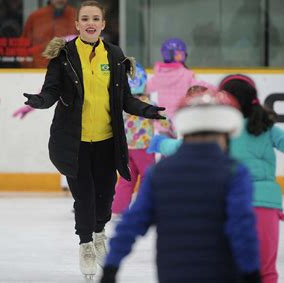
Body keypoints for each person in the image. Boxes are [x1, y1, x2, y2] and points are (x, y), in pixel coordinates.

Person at [148, 74, 284, 283]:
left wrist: (159, 143)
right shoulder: (266, 128)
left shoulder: (221, 131)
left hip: (230, 206)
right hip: (265, 207)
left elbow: (182, 147)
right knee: (265, 272)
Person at [21, 0, 165, 280]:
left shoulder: (114, 55)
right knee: (83, 196)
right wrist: (39, 101)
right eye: (84, 18)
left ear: (102, 24)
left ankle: (99, 232)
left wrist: (146, 110)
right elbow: (50, 91)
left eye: (95, 18)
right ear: (76, 24)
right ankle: (86, 243)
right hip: (74, 142)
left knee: (106, 196)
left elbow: (123, 99)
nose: (90, 22)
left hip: (107, 141)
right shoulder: (63, 55)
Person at [101, 90, 261, 283]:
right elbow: (242, 227)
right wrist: (252, 273)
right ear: (226, 132)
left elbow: (132, 222)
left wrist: (111, 266)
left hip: (172, 274)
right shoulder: (235, 173)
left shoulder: (159, 173)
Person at [112, 63, 158, 215]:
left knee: (126, 179)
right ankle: (144, 208)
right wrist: (172, 130)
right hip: (144, 148)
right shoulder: (149, 104)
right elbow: (164, 120)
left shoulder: (120, 104)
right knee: (147, 178)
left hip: (125, 148)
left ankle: (118, 208)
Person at [22, 0, 77, 68]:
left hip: (68, 73)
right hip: (37, 73)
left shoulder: (77, 16)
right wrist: (29, 69)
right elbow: (23, 46)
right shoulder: (35, 17)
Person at [145, 38, 197, 127]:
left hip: (164, 121)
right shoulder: (187, 74)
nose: (183, 56)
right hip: (181, 118)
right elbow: (200, 87)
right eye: (180, 54)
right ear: (170, 55)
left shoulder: (159, 75)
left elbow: (145, 89)